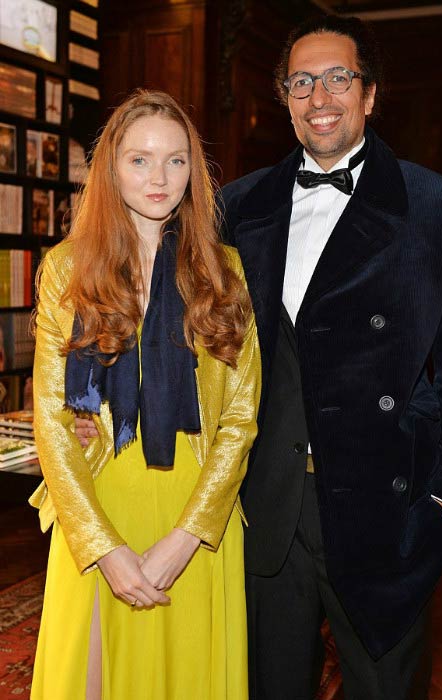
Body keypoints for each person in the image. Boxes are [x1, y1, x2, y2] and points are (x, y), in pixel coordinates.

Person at [219, 13, 442, 700]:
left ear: (368, 93)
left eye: (338, 78)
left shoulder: (432, 205)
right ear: (282, 97)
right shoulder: (237, 207)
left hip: (384, 505)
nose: (319, 97)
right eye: (301, 82)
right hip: (265, 504)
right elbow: (202, 352)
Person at [29, 89, 261, 700]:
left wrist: (186, 538)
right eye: (139, 160)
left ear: (195, 170)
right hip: (99, 505)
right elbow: (52, 420)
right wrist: (103, 547)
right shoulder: (65, 269)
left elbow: (240, 417)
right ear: (111, 168)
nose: (159, 177)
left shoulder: (224, 271)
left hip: (197, 511)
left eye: (176, 160)